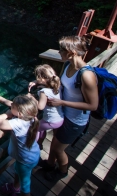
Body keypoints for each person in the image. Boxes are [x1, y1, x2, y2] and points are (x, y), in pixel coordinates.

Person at [41, 36, 98, 181]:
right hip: (62, 114)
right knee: (54, 143)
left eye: (62, 50)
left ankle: (62, 171)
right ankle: (49, 164)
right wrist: (39, 83)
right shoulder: (68, 65)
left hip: (75, 120)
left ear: (72, 52)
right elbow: (59, 84)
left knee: (58, 149)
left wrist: (62, 103)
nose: (59, 52)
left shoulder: (86, 75)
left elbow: (93, 105)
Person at [0, 95, 40, 196]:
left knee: (25, 186)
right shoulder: (32, 117)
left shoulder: (18, 123)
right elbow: (10, 103)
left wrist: (6, 114)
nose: (11, 105)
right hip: (33, 154)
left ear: (20, 114)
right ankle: (15, 187)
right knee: (21, 173)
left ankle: (21, 192)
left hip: (25, 160)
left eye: (13, 106)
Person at [28, 64, 64, 150]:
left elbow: (40, 107)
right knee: (41, 129)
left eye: (37, 77)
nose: (36, 78)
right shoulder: (58, 86)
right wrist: (38, 83)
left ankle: (33, 147)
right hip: (60, 118)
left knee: (35, 128)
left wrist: (31, 97)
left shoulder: (44, 91)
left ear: (42, 78)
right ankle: (40, 144)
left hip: (51, 121)